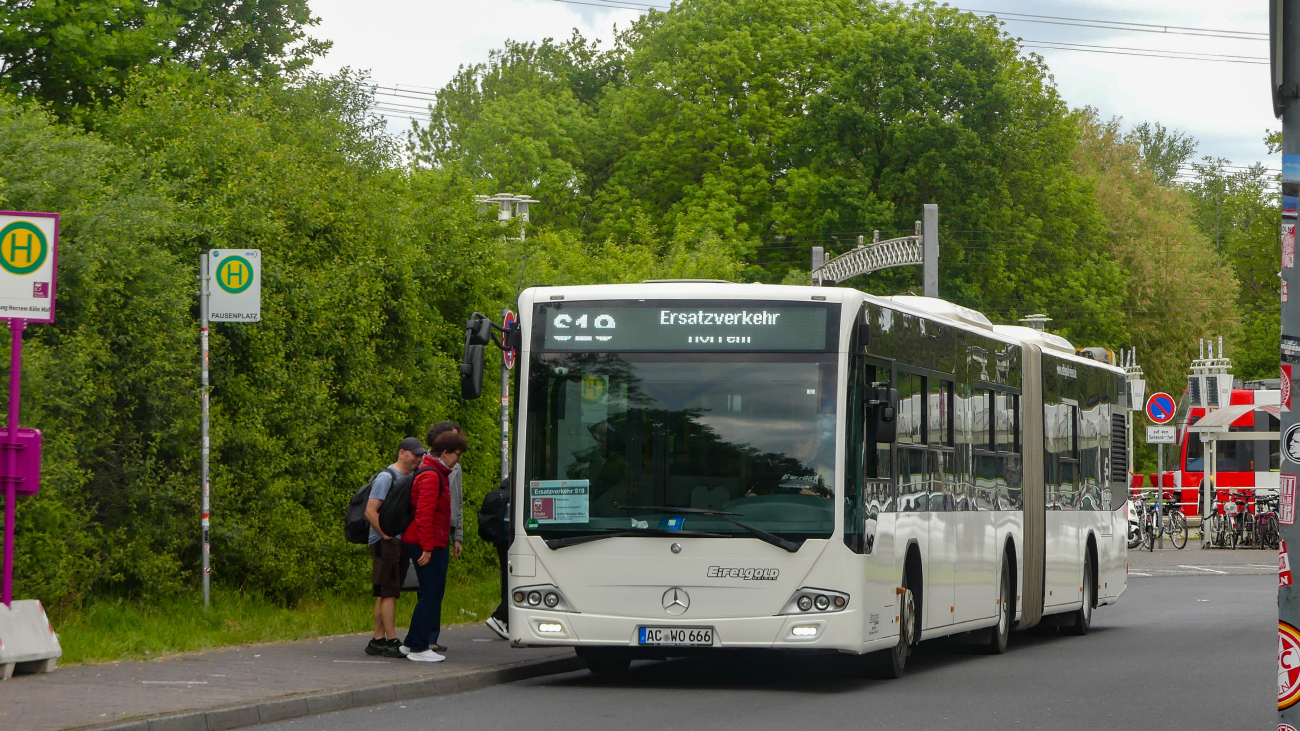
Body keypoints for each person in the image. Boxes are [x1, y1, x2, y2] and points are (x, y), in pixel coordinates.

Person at [401, 429, 469, 663]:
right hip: (426, 542)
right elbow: (424, 515)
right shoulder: (432, 475)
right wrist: (428, 547)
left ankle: (411, 642)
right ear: (446, 452)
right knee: (430, 594)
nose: (458, 459)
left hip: (431, 540)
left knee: (432, 593)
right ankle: (419, 648)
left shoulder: (435, 471)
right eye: (457, 454)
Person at [364, 437, 425, 658]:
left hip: (397, 539)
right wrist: (385, 536)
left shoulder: (411, 476)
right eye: (414, 454)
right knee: (390, 592)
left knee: (384, 591)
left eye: (420, 454)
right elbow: (371, 510)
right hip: (384, 541)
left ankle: (377, 639)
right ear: (402, 453)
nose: (418, 458)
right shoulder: (386, 477)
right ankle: (391, 640)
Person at [427, 421, 465, 561]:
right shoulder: (424, 465)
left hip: (446, 529)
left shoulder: (455, 468)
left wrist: (457, 537)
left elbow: (458, 502)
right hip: (429, 532)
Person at [480, 477, 512, 640]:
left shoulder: (501, 493)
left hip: (501, 542)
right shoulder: (515, 494)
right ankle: (499, 617)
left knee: (507, 580)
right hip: (513, 542)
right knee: (518, 582)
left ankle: (507, 621)